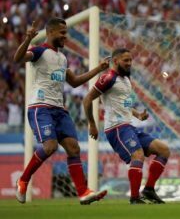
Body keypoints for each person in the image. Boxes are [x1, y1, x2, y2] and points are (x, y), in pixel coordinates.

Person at [13, 18, 109, 204]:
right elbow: (17, 59)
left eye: (66, 32)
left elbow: (74, 82)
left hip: (59, 109)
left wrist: (99, 68)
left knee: (74, 148)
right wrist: (27, 40)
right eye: (62, 32)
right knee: (50, 146)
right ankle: (23, 180)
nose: (66, 36)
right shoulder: (40, 51)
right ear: (50, 33)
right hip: (40, 107)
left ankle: (83, 192)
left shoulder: (62, 58)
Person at [83, 48, 170, 204]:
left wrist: (138, 115)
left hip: (129, 126)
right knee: (138, 155)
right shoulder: (108, 78)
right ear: (115, 61)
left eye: (130, 60)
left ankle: (149, 190)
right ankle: (135, 198)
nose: (129, 63)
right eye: (126, 60)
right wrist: (92, 124)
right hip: (116, 128)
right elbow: (87, 100)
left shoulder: (126, 80)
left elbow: (122, 104)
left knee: (163, 150)